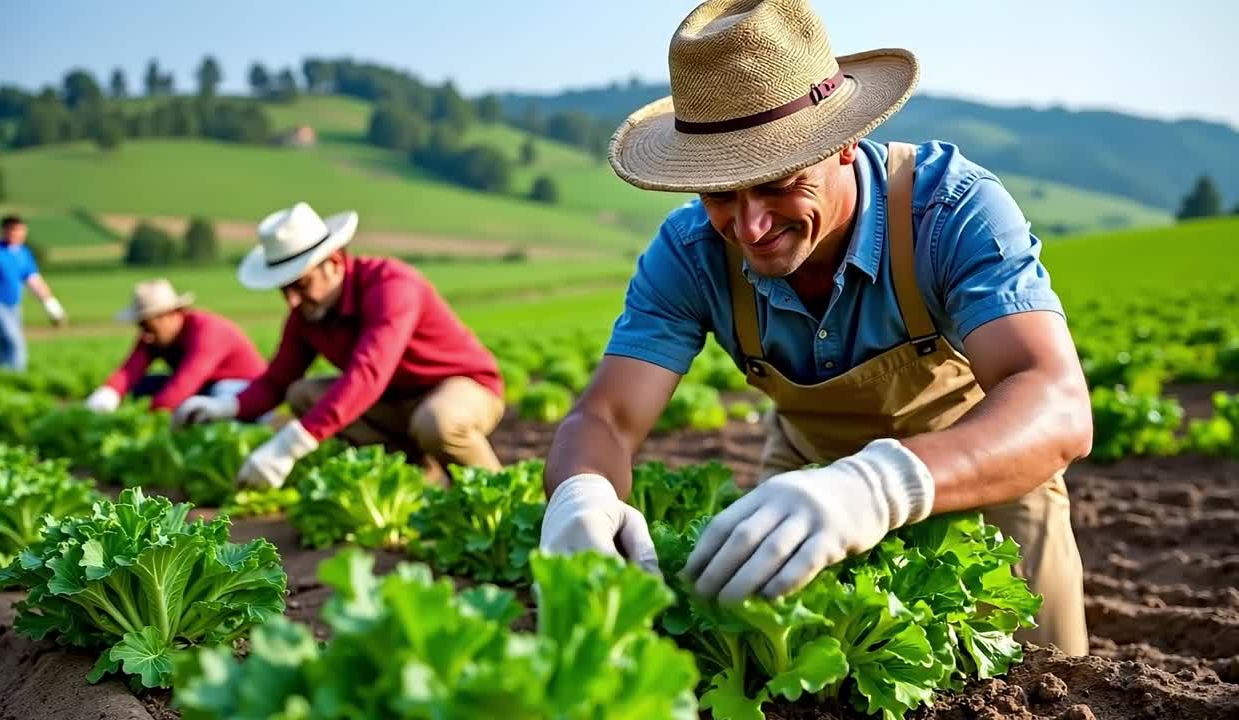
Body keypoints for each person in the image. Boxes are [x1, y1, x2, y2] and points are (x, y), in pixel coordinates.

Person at [538, 0, 1092, 655]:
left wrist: (877, 485)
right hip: (807, 480)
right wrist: (581, 495)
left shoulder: (949, 209)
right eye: (719, 193)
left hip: (985, 471)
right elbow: (605, 417)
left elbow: (1055, 403)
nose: (749, 228)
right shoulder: (688, 254)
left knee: (1041, 683)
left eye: (776, 185)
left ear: (842, 144)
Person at [173, 201, 505, 489]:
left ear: (333, 262)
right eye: (284, 289)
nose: (292, 300)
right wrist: (225, 407)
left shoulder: (391, 285)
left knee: (438, 422)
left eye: (300, 284)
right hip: (393, 400)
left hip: (463, 386)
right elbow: (278, 381)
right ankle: (415, 478)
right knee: (302, 394)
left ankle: (498, 496)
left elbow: (368, 374)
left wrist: (290, 445)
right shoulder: (307, 313)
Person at [82, 279, 267, 413]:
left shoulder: (207, 331)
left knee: (222, 393)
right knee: (143, 386)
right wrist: (105, 397)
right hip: (205, 387)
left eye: (148, 325)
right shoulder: (152, 338)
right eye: (141, 326)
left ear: (168, 315)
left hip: (247, 389)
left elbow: (186, 381)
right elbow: (129, 372)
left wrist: (148, 419)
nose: (145, 334)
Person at [0, 214, 66, 370]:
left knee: (6, 342)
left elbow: (34, 280)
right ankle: (18, 376)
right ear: (3, 231)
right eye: (13, 231)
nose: (17, 234)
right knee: (15, 341)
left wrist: (50, 304)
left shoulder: (24, 253)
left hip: (14, 304)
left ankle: (1, 374)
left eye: (21, 231)